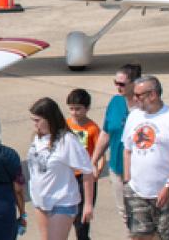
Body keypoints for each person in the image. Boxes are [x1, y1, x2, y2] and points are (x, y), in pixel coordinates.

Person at [123, 76, 169, 240]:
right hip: (138, 191)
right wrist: (127, 181)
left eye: (138, 95)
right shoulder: (134, 116)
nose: (134, 99)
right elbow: (127, 149)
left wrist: (168, 185)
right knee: (139, 236)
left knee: (167, 236)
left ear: (152, 95)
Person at [27, 98, 95, 240]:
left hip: (62, 202)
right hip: (40, 201)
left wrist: (88, 205)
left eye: (37, 120)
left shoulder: (67, 140)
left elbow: (88, 172)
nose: (34, 125)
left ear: (49, 119)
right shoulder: (37, 138)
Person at [92, 64, 142, 198]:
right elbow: (106, 133)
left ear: (135, 83)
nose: (118, 87)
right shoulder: (115, 102)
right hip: (117, 168)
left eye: (122, 84)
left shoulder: (145, 107)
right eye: (116, 83)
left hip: (139, 172)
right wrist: (94, 160)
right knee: (124, 214)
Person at [64, 88, 101, 240]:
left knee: (82, 222)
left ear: (87, 108)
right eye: (71, 108)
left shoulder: (92, 128)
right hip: (68, 177)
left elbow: (99, 152)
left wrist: (97, 169)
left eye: (78, 109)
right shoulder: (65, 125)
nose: (74, 112)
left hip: (84, 178)